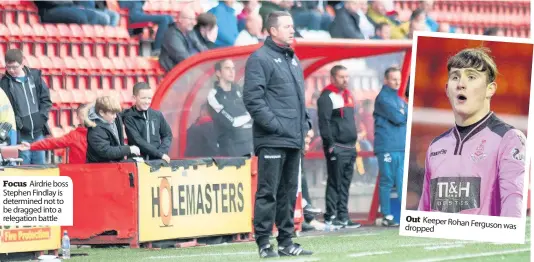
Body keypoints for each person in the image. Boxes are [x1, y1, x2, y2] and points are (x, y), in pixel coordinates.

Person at [418, 47, 526, 218]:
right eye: (455, 77)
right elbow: (424, 210)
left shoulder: (509, 139)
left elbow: (513, 202)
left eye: (471, 76)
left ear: (490, 89)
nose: (461, 83)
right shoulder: (436, 146)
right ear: (447, 89)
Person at [243, 10, 313, 258]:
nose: (292, 30)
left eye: (292, 26)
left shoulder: (292, 59)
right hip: (272, 139)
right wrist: (276, 126)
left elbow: (298, 100)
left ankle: (286, 242)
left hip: (292, 139)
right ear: (272, 30)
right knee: (268, 192)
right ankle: (263, 243)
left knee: (287, 194)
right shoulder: (259, 59)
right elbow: (252, 100)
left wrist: (306, 124)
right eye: (286, 27)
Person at [317, 65, 361, 228]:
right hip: (337, 146)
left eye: (347, 77)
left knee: (345, 183)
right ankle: (331, 215)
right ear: (333, 78)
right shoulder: (327, 96)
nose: (345, 80)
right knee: (335, 182)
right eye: (342, 77)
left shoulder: (347, 96)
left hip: (350, 147)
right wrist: (330, 145)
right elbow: (324, 122)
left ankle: (343, 215)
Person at [0, 49, 52, 165]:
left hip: (39, 134)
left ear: (22, 63)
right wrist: (19, 124)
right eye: (8, 67)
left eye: (15, 67)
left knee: (40, 170)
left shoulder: (35, 77)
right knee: (24, 170)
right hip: (21, 136)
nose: (11, 70)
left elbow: (46, 100)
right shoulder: (4, 84)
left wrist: (42, 118)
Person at [373, 66, 407, 227]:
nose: (397, 82)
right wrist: (402, 113)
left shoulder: (399, 100)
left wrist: (403, 113)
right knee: (387, 180)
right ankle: (386, 215)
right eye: (393, 79)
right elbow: (398, 117)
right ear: (386, 80)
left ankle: (404, 215)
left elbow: (405, 115)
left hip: (401, 146)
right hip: (387, 146)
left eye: (399, 79)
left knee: (402, 181)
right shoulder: (382, 98)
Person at [207, 59, 253, 157]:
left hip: (249, 144)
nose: (232, 72)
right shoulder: (213, 96)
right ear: (218, 73)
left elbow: (252, 109)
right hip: (230, 149)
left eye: (233, 68)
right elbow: (232, 122)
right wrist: (249, 117)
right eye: (227, 68)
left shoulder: (239, 90)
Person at [18, 104, 90, 164]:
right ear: (78, 118)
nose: (86, 118)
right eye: (83, 115)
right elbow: (53, 142)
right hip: (79, 174)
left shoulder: (99, 132)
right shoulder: (74, 136)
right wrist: (31, 146)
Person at [122, 82, 173, 163]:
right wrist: (159, 154)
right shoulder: (129, 117)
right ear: (134, 98)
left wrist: (162, 152)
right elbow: (138, 141)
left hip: (157, 161)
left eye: (149, 98)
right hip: (138, 164)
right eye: (143, 98)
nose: (147, 101)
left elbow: (167, 135)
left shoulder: (157, 115)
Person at [86, 96, 140, 163]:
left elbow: (127, 113)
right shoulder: (95, 130)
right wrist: (128, 149)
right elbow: (107, 151)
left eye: (116, 113)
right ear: (101, 112)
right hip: (100, 169)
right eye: (112, 114)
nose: (115, 116)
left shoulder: (114, 117)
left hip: (113, 165)